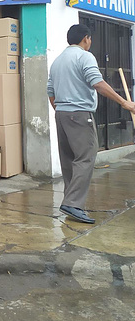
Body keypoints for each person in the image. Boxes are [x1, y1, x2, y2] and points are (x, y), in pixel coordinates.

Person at [47, 24, 135, 224]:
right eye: (90, 39)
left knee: (69, 159)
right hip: (79, 114)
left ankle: (72, 201)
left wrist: (61, 110)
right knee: (86, 157)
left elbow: (50, 91)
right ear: (86, 38)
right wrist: (124, 102)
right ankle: (73, 204)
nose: (90, 43)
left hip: (61, 114)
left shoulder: (58, 61)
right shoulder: (84, 56)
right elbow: (97, 83)